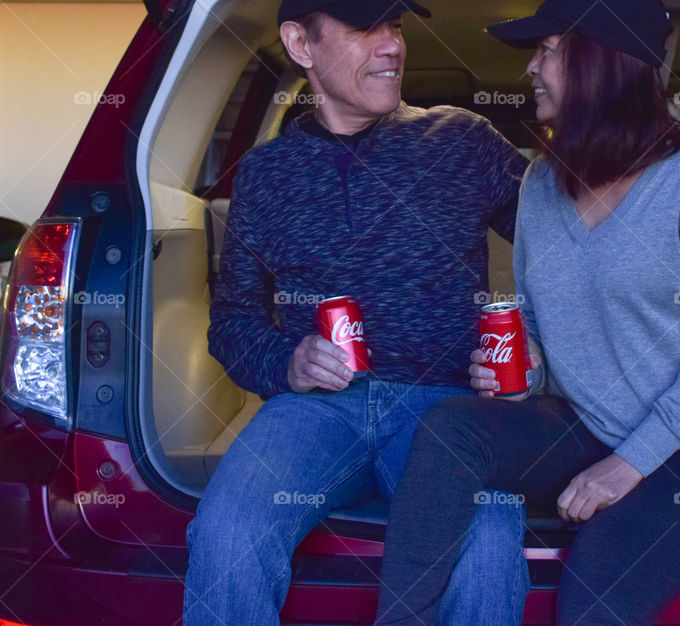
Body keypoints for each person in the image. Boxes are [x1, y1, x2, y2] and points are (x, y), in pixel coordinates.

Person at [375, 0, 680, 624]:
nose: (531, 68)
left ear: (600, 64)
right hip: (588, 423)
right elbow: (530, 320)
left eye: (547, 50)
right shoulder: (540, 183)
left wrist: (627, 466)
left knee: (594, 599)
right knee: (452, 430)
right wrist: (521, 369)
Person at [182, 1, 533, 624]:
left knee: (486, 549)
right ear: (300, 43)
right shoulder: (264, 175)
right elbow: (232, 320)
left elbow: (579, 239)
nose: (393, 45)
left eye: (395, 26)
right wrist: (286, 363)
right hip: (315, 413)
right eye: (366, 27)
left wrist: (666, 157)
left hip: (448, 412)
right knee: (228, 531)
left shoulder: (462, 140)